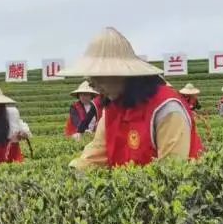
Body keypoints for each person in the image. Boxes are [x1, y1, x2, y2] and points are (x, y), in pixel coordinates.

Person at [67, 28, 203, 169]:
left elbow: (172, 175)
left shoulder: (167, 111)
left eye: (97, 76)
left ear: (121, 72)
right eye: (90, 78)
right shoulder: (110, 110)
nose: (92, 84)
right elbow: (94, 157)